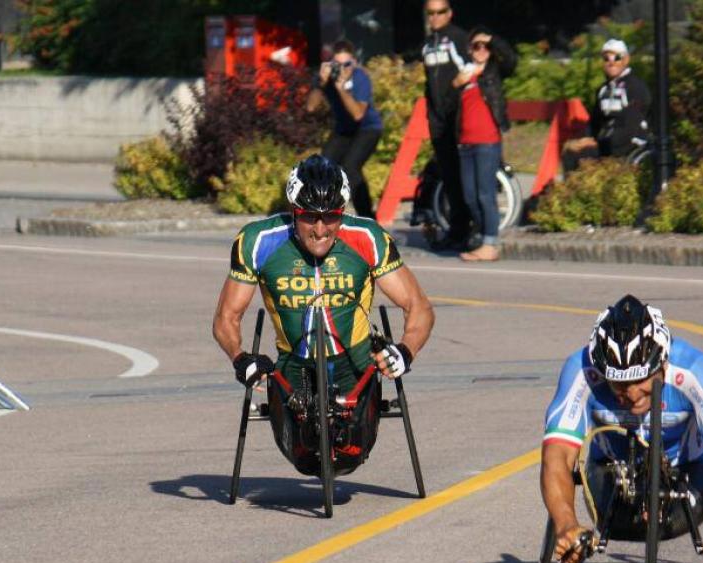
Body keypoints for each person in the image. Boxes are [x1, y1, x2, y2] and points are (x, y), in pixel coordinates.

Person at [212, 155, 434, 476]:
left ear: (342, 212)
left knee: (350, 452)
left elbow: (419, 307)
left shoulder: (369, 238)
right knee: (305, 456)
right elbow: (226, 318)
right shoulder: (257, 241)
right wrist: (240, 357)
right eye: (308, 217)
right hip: (293, 365)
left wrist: (405, 350)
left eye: (330, 217)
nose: (320, 229)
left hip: (354, 364)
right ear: (293, 211)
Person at [540, 294, 703, 563]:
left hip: (688, 479)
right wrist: (565, 524)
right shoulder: (581, 371)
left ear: (662, 364)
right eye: (618, 385)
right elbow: (556, 456)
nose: (630, 394)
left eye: (640, 380)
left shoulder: (694, 368)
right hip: (608, 481)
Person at [453, 27, 516, 263]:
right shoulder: (464, 73)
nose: (481, 50)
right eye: (476, 46)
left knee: (485, 194)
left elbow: (511, 59)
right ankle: (482, 237)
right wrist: (456, 85)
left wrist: (492, 39)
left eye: (485, 47)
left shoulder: (494, 71)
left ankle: (490, 243)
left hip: (487, 141)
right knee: (470, 196)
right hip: (466, 143)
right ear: (469, 49)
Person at [420, 0, 476, 250]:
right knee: (450, 176)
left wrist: (455, 103)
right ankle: (457, 231)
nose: (435, 17)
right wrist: (432, 113)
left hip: (459, 117)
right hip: (438, 120)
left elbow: (470, 71)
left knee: (465, 176)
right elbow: (428, 83)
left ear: (450, 13)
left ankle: (473, 230)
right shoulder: (427, 44)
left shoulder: (458, 38)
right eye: (430, 13)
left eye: (440, 12)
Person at [305, 39, 382, 218]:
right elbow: (310, 107)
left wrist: (341, 89)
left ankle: (368, 218)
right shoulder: (328, 78)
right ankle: (321, 214)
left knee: (350, 167)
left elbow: (357, 115)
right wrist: (321, 84)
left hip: (367, 128)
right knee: (322, 167)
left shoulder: (360, 78)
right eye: (337, 64)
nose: (342, 69)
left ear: (354, 62)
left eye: (346, 64)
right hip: (344, 130)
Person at [562, 39, 651, 172]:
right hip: (607, 144)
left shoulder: (635, 87)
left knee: (584, 156)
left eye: (617, 57)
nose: (611, 62)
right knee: (571, 152)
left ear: (626, 60)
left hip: (631, 145)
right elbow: (594, 123)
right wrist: (583, 140)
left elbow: (630, 127)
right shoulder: (603, 90)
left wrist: (599, 144)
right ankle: (576, 191)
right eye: (606, 58)